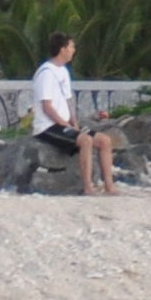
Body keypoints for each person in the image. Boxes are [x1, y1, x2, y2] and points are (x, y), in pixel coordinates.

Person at [32, 32, 116, 195]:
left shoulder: (63, 71)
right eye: (71, 46)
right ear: (62, 49)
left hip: (66, 124)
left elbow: (69, 100)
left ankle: (109, 186)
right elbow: (47, 107)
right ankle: (88, 187)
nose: (73, 50)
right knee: (85, 141)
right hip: (49, 126)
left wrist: (74, 122)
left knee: (104, 141)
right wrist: (64, 124)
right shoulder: (46, 73)